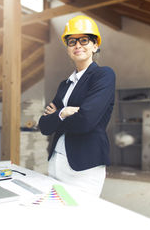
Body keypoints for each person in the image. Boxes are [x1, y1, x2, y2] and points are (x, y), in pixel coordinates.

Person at [38, 15, 116, 197]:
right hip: (56, 162)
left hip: (84, 166)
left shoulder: (103, 75)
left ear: (95, 45)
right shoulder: (64, 85)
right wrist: (64, 113)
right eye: (72, 41)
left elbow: (86, 121)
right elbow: (43, 126)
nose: (78, 45)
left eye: (84, 40)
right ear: (68, 49)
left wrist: (57, 116)